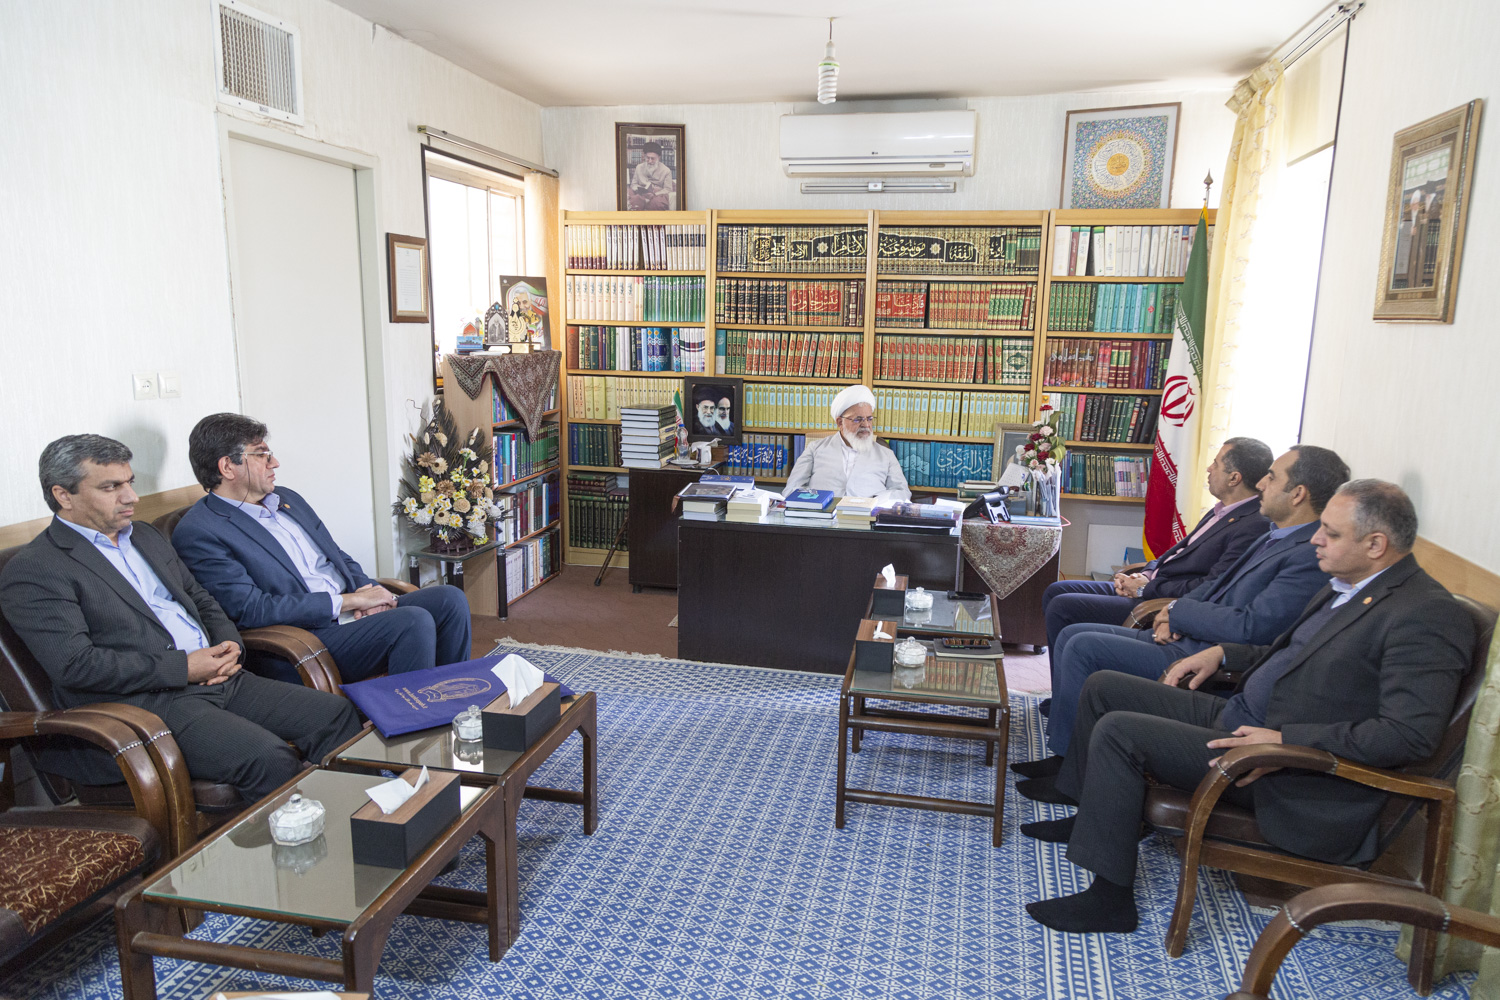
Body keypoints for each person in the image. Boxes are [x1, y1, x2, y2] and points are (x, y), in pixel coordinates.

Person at [1020, 480, 1475, 934]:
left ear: (1375, 544)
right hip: (1242, 718)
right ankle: (1090, 811)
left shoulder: (1425, 614)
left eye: (1332, 533)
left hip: (1289, 771)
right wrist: (1223, 654)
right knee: (1104, 687)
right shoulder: (1349, 584)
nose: (1316, 539)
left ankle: (1110, 901)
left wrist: (1286, 740)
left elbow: (1408, 735)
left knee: (1121, 731)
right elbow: (1289, 654)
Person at [0, 435, 362, 802]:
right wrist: (184, 668)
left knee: (334, 714)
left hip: (219, 677)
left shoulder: (143, 535)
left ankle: (355, 820)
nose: (131, 497)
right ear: (63, 495)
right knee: (267, 757)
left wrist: (229, 645)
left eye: (129, 482)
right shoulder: (36, 569)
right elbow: (76, 666)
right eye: (111, 487)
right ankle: (308, 835)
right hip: (145, 706)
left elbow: (200, 599)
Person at [1018, 445, 1348, 771]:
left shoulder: (1303, 552)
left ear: (1298, 494)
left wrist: (1175, 611)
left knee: (1081, 643)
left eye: (1272, 478)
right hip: (1182, 626)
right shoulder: (1274, 534)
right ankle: (1065, 737)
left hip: (1202, 652)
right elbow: (1212, 584)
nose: (1262, 483)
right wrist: (1173, 610)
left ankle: (1065, 763)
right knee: (1073, 631)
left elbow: (1253, 626)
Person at [172, 414, 471, 683]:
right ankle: (415, 719)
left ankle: (452, 700)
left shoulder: (287, 498)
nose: (274, 463)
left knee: (450, 600)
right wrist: (350, 601)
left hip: (351, 613)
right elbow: (253, 609)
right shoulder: (201, 531)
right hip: (307, 637)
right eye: (262, 455)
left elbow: (336, 556)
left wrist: (368, 592)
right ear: (227, 466)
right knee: (413, 621)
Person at [1042, 437, 1273, 651]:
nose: (1209, 469)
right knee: (1055, 590)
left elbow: (1211, 585)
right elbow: (1177, 553)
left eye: (1216, 463)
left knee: (1062, 606)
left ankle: (1068, 681)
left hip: (1161, 601)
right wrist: (1144, 573)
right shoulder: (1221, 509)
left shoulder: (1253, 525)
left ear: (1234, 478)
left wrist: (1145, 587)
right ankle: (1063, 679)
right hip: (1149, 584)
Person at [784, 384, 912, 502]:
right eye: (858, 419)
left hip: (867, 517)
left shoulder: (886, 454)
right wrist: (815, 500)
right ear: (840, 422)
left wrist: (877, 501)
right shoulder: (815, 449)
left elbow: (903, 492)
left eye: (869, 419)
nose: (866, 425)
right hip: (822, 516)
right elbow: (791, 489)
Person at [627, 141, 675, 211]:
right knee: (633, 199)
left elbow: (668, 189)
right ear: (644, 156)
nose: (649, 161)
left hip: (657, 195)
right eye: (647, 158)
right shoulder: (639, 167)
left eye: (652, 158)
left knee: (657, 203)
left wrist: (655, 194)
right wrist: (639, 189)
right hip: (640, 194)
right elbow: (633, 184)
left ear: (659, 157)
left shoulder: (666, 170)